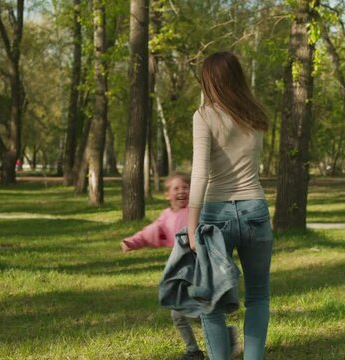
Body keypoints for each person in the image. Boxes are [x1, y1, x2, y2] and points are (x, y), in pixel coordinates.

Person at [188, 51, 274, 360]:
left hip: (216, 214)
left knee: (210, 301)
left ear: (209, 81)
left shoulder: (204, 116)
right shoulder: (255, 115)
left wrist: (190, 223)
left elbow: (199, 172)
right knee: (258, 296)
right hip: (254, 210)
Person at [121, 174, 239, 360]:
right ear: (168, 195)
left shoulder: (196, 211)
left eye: (185, 187)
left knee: (198, 309)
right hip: (182, 272)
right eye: (176, 189)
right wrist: (132, 242)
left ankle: (222, 337)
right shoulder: (166, 216)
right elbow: (151, 231)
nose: (181, 191)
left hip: (201, 269)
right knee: (179, 313)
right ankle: (196, 349)